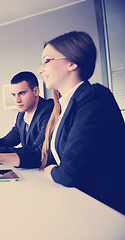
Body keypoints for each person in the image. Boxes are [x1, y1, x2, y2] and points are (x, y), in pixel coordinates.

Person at [37, 31, 125, 214]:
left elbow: (70, 172)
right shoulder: (65, 105)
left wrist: (52, 170)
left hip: (104, 209)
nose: (40, 69)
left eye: (46, 60)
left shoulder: (95, 97)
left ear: (72, 62)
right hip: (79, 202)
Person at [0, 71, 54, 168]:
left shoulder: (49, 110)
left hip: (48, 171)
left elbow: (38, 149)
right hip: (32, 170)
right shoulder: (21, 115)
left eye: (22, 93)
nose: (17, 100)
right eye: (13, 95)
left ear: (36, 91)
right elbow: (7, 141)